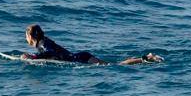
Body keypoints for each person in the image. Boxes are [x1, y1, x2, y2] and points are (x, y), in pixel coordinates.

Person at [21, 24, 163, 65]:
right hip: (80, 56)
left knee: (115, 66)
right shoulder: (45, 41)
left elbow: (50, 53)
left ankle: (145, 58)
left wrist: (33, 57)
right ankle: (143, 58)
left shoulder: (43, 43)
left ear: (31, 36)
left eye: (26, 36)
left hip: (78, 59)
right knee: (114, 64)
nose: (26, 39)